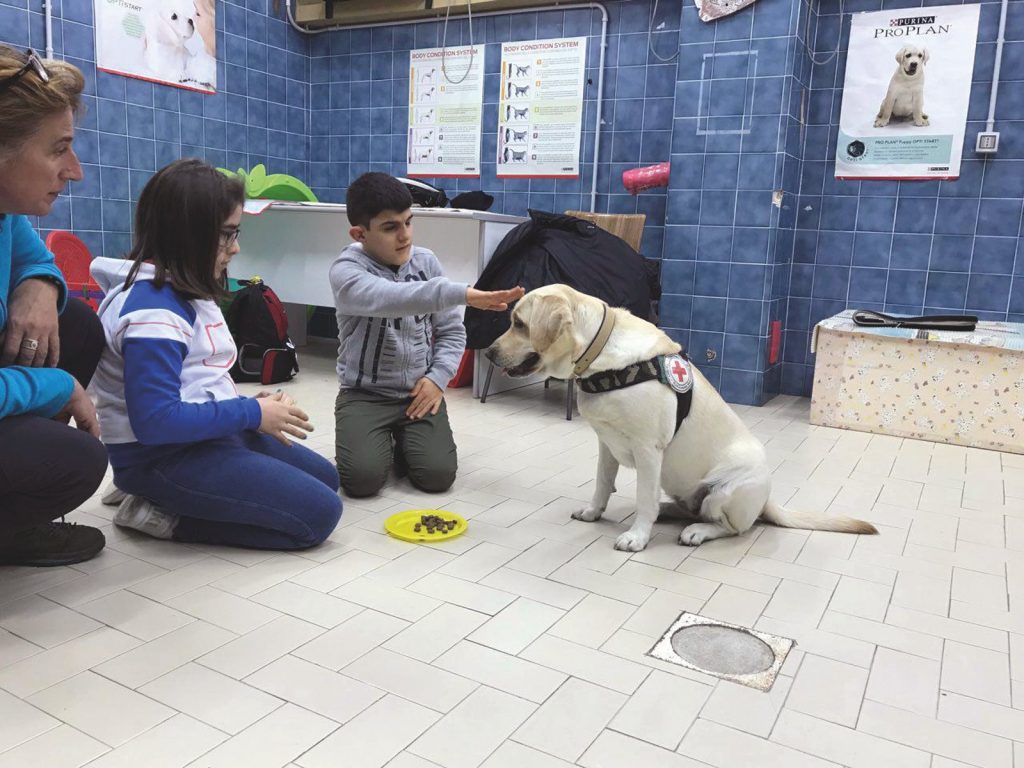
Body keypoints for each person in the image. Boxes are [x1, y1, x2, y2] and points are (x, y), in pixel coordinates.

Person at [90, 159, 342, 549]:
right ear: (188, 235)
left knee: (328, 479)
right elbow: (156, 423)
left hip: (202, 439)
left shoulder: (182, 289)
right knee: (318, 516)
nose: (236, 247)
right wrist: (251, 413)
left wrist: (246, 408)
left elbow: (195, 381)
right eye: (227, 234)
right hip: (161, 458)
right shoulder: (153, 313)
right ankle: (158, 511)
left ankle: (166, 494)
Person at [331, 172, 523, 498]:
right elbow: (390, 298)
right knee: (361, 481)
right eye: (390, 227)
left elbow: (450, 331)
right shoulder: (347, 271)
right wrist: (462, 294)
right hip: (364, 394)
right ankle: (378, 441)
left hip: (418, 392)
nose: (404, 235)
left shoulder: (426, 261)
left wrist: (437, 379)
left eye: (408, 222)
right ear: (359, 233)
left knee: (437, 477)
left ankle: (404, 441)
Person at [0, 46, 107, 567]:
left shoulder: (5, 212)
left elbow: (35, 254)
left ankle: (15, 519)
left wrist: (40, 281)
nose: (75, 170)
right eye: (58, 149)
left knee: (78, 324)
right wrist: (60, 385)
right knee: (78, 461)